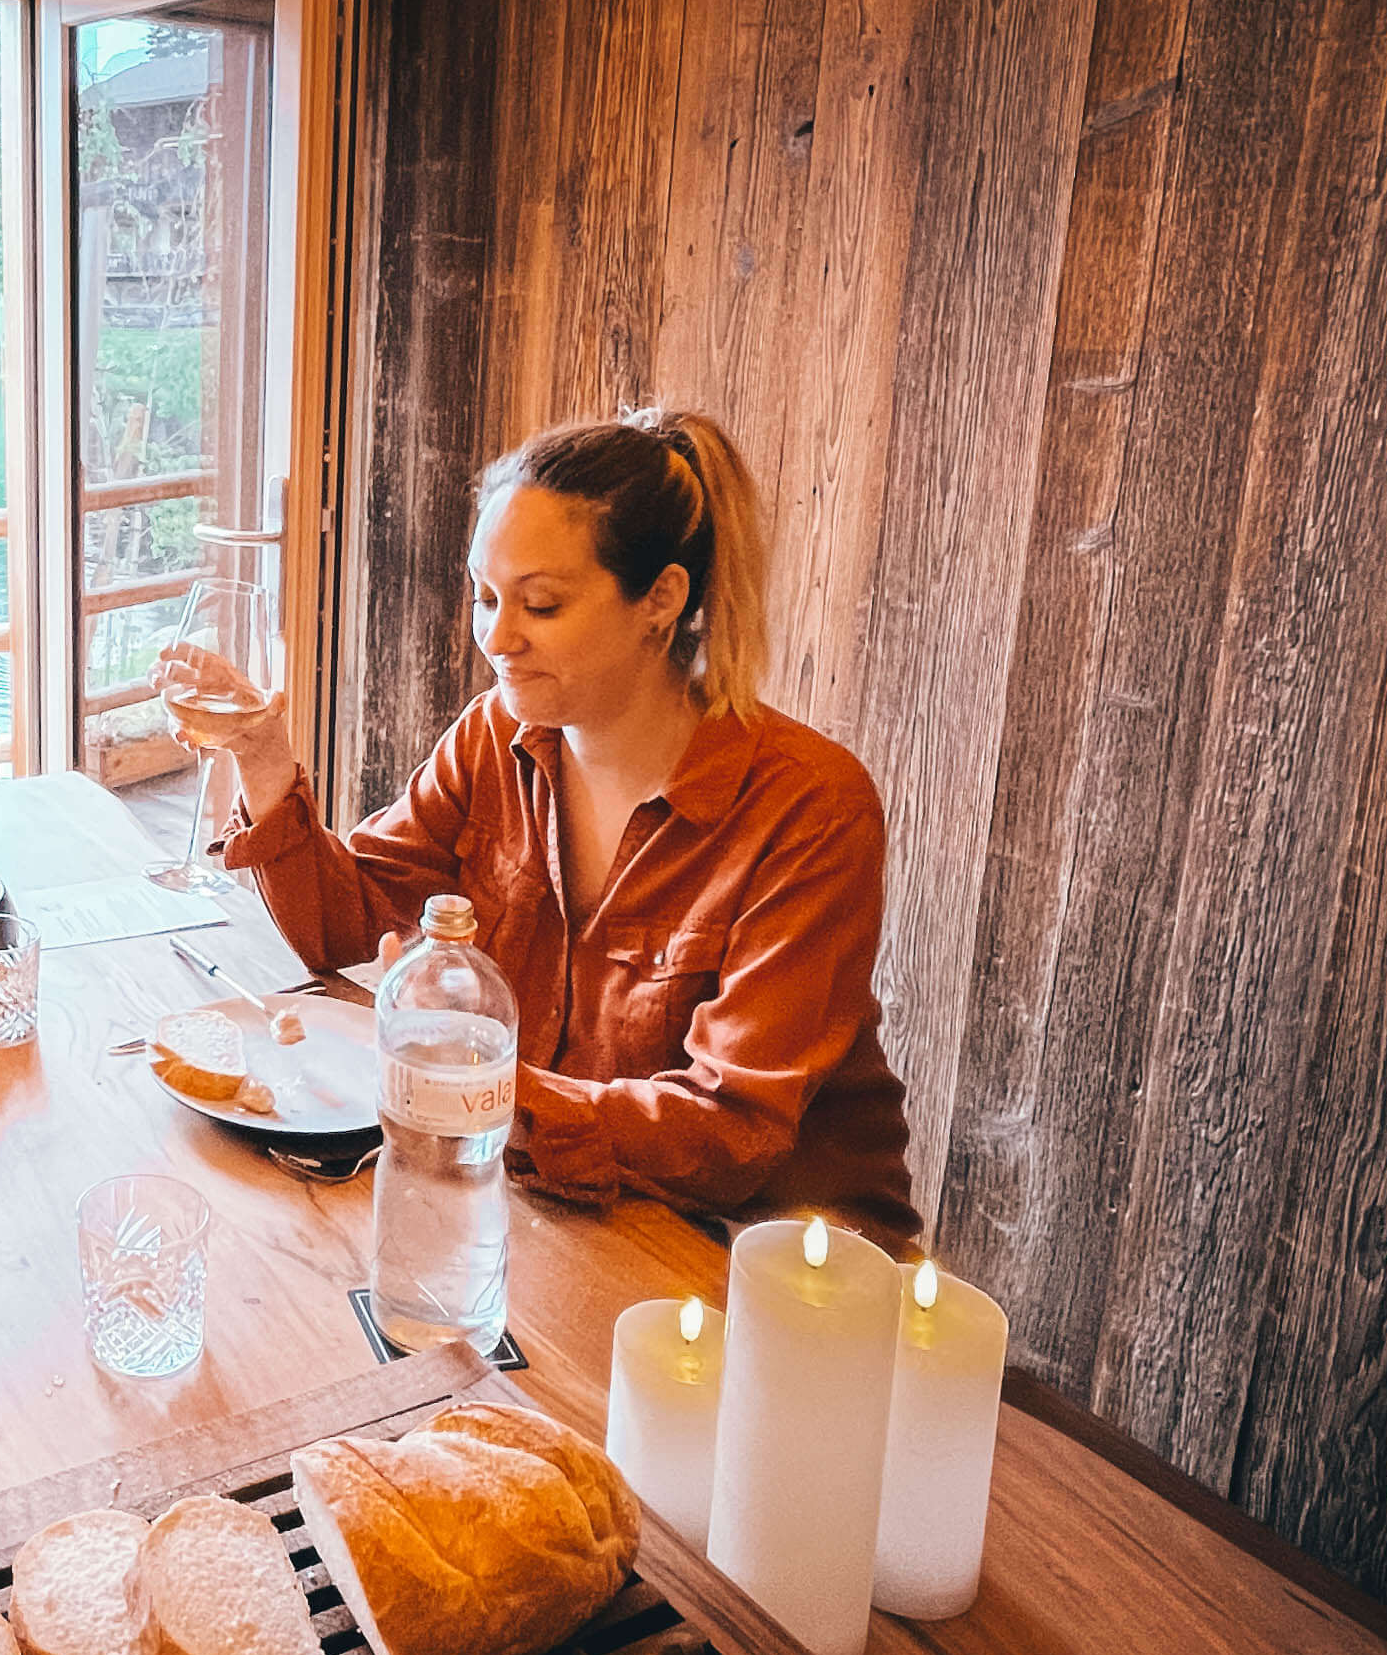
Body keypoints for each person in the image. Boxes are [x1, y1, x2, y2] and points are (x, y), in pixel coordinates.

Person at [161, 411, 920, 1241]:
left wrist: (472, 1074)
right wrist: (263, 758)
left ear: (661, 599)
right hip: (556, 1204)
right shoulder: (497, 736)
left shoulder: (809, 806)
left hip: (764, 1254)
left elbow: (729, 1129)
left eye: (542, 604)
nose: (496, 636)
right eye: (485, 596)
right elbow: (350, 924)